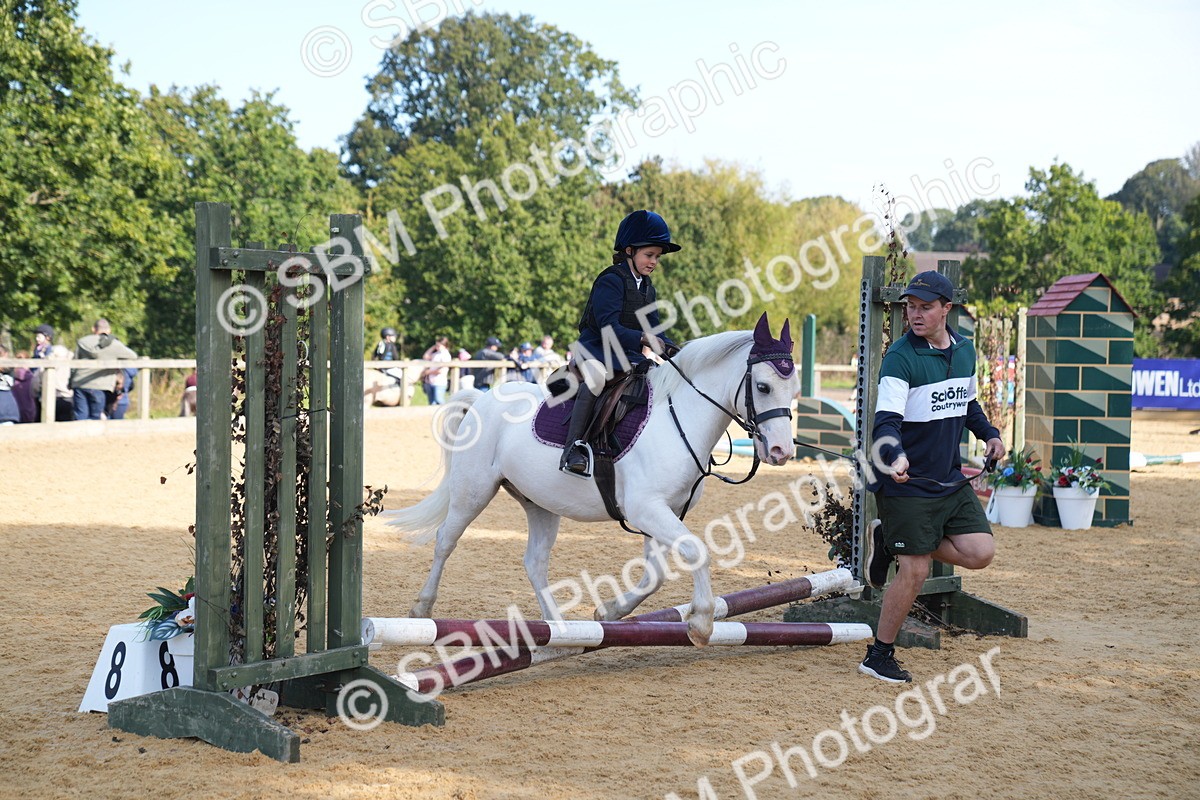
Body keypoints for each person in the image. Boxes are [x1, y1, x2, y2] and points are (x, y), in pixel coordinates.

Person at [860, 271, 1006, 684]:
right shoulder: (900, 356)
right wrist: (896, 455)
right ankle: (878, 655)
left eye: (925, 307)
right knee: (916, 571)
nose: (915, 314)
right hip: (906, 482)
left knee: (980, 552)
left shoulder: (965, 351)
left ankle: (890, 539)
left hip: (949, 479)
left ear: (947, 309)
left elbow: (968, 403)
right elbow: (886, 422)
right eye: (910, 306)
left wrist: (990, 434)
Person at [561, 210, 680, 477]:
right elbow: (607, 326)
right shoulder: (611, 279)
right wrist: (642, 338)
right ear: (629, 251)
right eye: (649, 255)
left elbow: (655, 328)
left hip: (627, 356)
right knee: (596, 379)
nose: (654, 262)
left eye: (657, 257)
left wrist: (675, 351)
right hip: (595, 351)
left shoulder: (648, 288)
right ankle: (573, 449)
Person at [71, 318, 137, 420]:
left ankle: (80, 436)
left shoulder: (82, 341)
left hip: (79, 383)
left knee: (80, 416)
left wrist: (70, 381)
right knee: (95, 416)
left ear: (93, 329)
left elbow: (74, 364)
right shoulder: (114, 344)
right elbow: (133, 356)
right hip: (100, 385)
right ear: (109, 330)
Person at [420, 336, 452, 405]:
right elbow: (425, 356)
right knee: (432, 403)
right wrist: (433, 347)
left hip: (439, 382)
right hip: (431, 382)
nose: (437, 347)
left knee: (439, 401)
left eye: (438, 345)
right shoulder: (436, 354)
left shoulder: (446, 355)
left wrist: (429, 372)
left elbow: (442, 370)